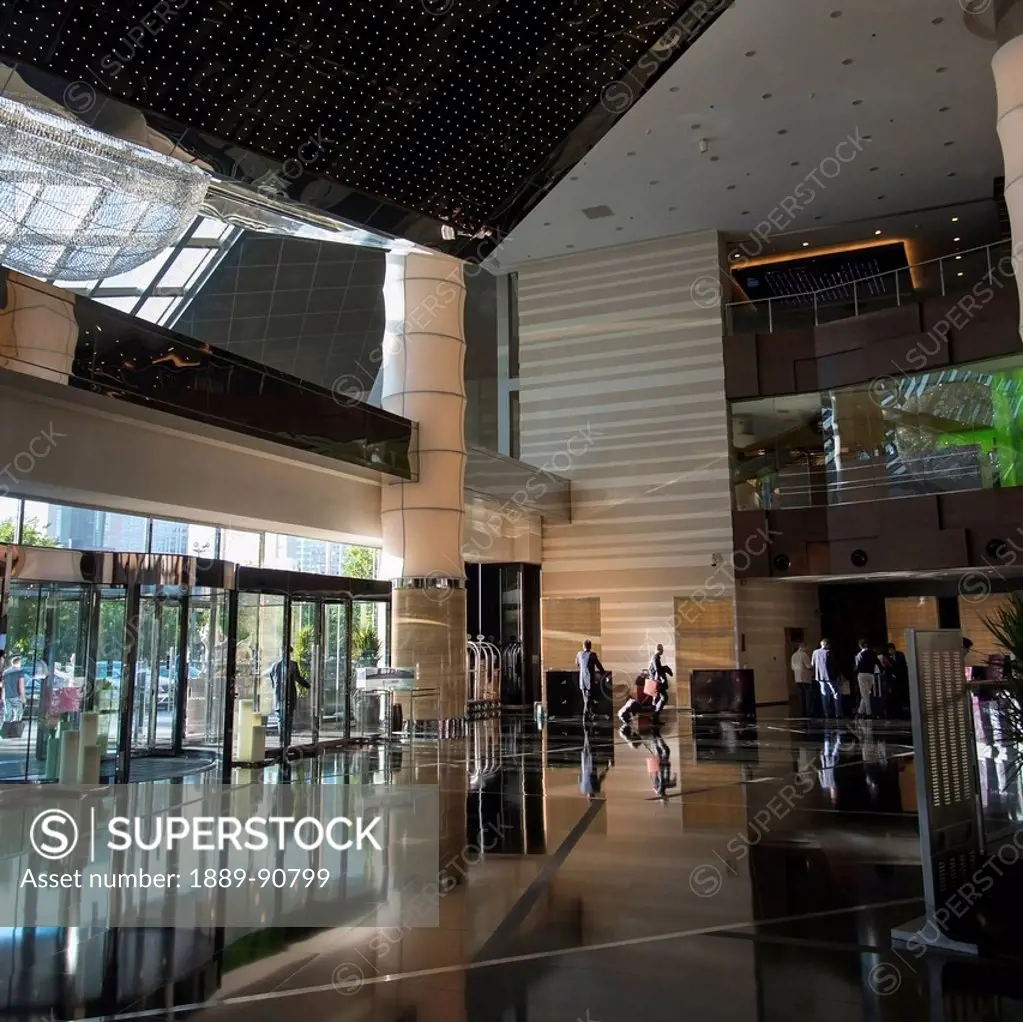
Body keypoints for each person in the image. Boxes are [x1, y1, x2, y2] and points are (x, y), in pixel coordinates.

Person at [270, 646, 309, 746]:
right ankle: (286, 741)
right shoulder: (292, 665)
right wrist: (308, 685)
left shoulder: (275, 666)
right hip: (289, 696)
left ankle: (282, 740)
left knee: (281, 719)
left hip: (279, 696)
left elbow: (273, 682)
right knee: (288, 718)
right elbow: (298, 678)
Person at [811, 639, 841, 719]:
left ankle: (826, 713)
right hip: (830, 676)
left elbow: (812, 664)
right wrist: (837, 675)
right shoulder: (829, 652)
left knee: (824, 695)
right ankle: (838, 713)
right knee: (836, 693)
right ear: (828, 645)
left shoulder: (815, 652)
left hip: (820, 676)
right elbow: (833, 665)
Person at [575, 640, 604, 720]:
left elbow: (577, 664)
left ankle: (589, 715)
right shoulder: (592, 655)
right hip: (589, 681)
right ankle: (586, 716)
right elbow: (599, 666)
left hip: (582, 680)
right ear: (590, 646)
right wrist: (604, 674)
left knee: (586, 699)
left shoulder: (579, 654)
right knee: (588, 699)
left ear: (583, 646)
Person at [647, 643, 673, 720]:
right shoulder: (656, 657)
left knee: (659, 698)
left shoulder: (654, 657)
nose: (663, 651)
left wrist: (665, 669)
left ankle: (655, 716)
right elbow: (657, 670)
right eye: (662, 649)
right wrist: (660, 680)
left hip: (654, 680)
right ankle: (655, 715)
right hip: (656, 681)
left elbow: (658, 668)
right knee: (664, 698)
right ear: (660, 650)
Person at [854, 640, 879, 718]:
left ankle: (868, 712)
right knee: (866, 693)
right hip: (870, 674)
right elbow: (877, 662)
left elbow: (857, 666)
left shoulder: (859, 655)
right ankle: (860, 711)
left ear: (860, 646)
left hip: (862, 674)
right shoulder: (872, 653)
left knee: (865, 694)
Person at [2, 654, 28, 727]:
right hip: (16, 696)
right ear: (19, 663)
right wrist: (23, 697)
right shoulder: (20, 671)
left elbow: (2, 684)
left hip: (6, 696)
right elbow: (21, 685)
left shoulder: (6, 672)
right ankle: (14, 730)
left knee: (8, 714)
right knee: (18, 713)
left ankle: (5, 730)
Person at [790, 643, 813, 717]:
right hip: (805, 678)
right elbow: (808, 666)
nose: (808, 649)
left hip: (797, 678)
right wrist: (814, 667)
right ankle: (808, 712)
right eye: (807, 647)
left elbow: (792, 667)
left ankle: (802, 712)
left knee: (800, 696)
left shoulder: (793, 655)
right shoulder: (804, 655)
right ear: (804, 647)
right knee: (808, 696)